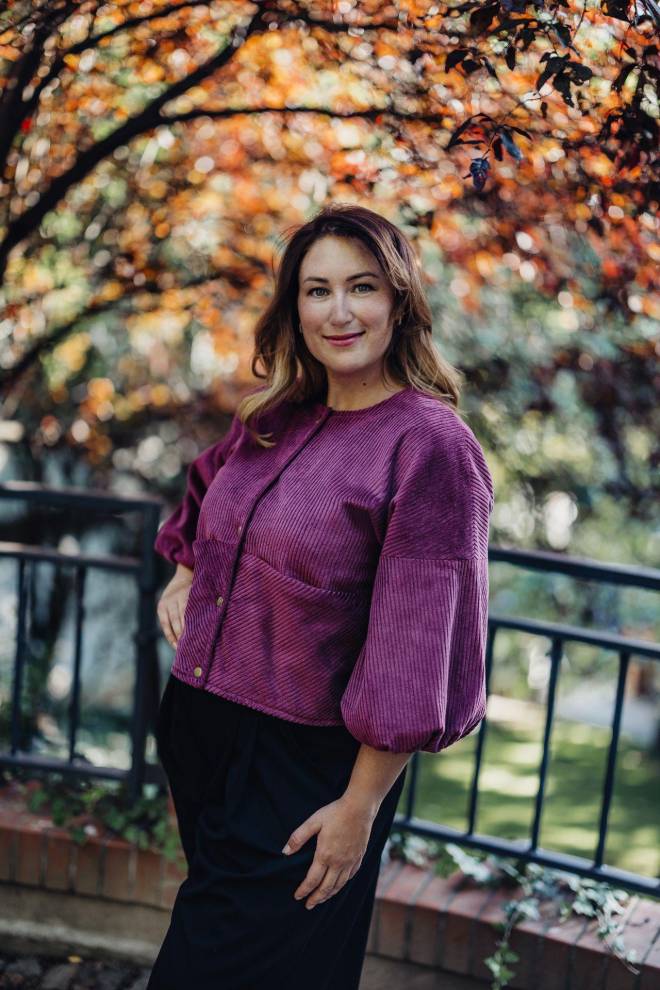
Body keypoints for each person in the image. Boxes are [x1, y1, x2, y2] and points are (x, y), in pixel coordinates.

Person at [146, 203, 494, 990]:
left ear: (399, 301)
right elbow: (206, 495)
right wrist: (185, 570)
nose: (339, 312)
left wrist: (359, 808)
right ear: (294, 307)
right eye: (317, 290)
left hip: (303, 772)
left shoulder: (431, 447)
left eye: (361, 287)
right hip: (203, 729)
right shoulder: (277, 415)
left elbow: (415, 649)